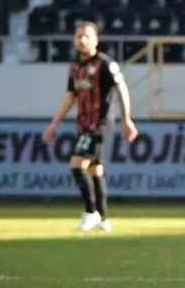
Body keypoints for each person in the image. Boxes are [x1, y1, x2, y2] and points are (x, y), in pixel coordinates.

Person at [42, 21, 139, 231]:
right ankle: (103, 219)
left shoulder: (105, 64)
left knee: (77, 164)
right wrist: (54, 123)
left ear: (96, 40)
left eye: (86, 36)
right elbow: (70, 97)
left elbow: (121, 88)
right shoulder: (75, 67)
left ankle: (90, 212)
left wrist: (126, 118)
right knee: (95, 170)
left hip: (100, 124)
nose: (82, 40)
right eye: (78, 36)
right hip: (83, 124)